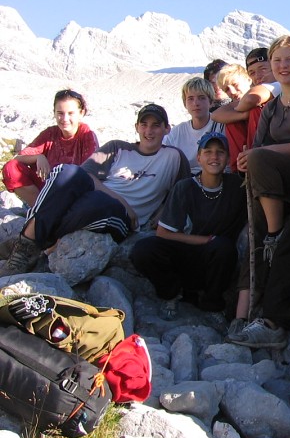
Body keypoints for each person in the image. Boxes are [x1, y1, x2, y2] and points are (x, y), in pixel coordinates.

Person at [4, 104, 190, 273]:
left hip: (121, 218)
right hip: (100, 200)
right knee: (66, 171)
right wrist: (121, 200)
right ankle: (27, 243)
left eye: (156, 125)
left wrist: (162, 211)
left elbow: (183, 191)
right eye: (144, 124)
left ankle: (33, 242)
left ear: (167, 129)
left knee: (99, 203)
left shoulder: (173, 157)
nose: (149, 130)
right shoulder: (117, 147)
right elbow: (85, 175)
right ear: (137, 127)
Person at [228, 35, 290, 349]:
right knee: (253, 237)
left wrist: (262, 154)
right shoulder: (271, 107)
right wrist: (248, 159)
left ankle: (275, 233)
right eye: (277, 60)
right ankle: (242, 316)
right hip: (273, 186)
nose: (284, 66)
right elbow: (257, 148)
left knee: (286, 241)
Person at [130, 131, 246, 319]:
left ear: (228, 158)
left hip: (215, 260)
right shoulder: (185, 187)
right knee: (143, 250)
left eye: (220, 152)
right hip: (185, 254)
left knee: (224, 247)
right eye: (208, 152)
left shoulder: (236, 186)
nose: (214, 157)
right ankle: (171, 293)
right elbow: (163, 233)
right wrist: (205, 240)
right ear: (199, 158)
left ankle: (212, 305)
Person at [2, 89, 99, 208]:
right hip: (47, 189)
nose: (65, 118)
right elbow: (18, 158)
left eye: (70, 113)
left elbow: (90, 173)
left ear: (81, 113)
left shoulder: (87, 135)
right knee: (11, 168)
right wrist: (39, 157)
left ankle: (55, 212)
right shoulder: (50, 133)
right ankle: (40, 209)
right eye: (60, 113)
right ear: (54, 113)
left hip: (74, 192)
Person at [163, 77, 224, 173]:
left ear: (211, 102)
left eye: (202, 98)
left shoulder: (222, 126)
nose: (196, 103)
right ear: (185, 104)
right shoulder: (177, 132)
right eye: (190, 99)